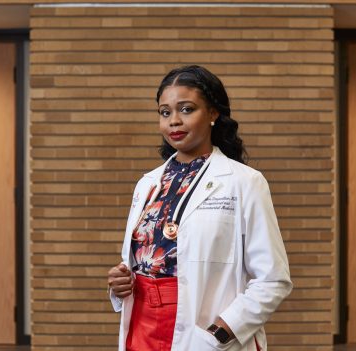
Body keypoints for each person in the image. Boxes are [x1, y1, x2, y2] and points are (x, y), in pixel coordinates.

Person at [107, 65, 292, 351]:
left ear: (213, 114)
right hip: (142, 327)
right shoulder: (147, 184)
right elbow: (144, 261)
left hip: (203, 332)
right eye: (165, 112)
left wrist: (221, 332)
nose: (174, 122)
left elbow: (273, 279)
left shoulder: (245, 182)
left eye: (187, 109)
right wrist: (121, 284)